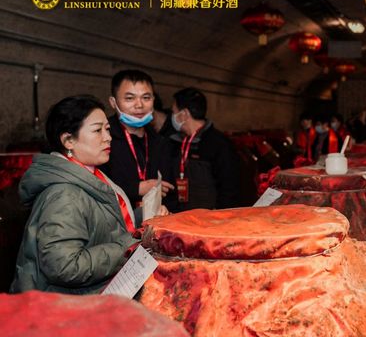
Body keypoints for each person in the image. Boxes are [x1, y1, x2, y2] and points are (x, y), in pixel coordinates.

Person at [11, 95, 166, 294]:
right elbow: (65, 267)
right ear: (68, 140)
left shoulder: (92, 175)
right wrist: (130, 245)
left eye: (107, 129)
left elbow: (100, 223)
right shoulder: (64, 195)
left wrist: (144, 216)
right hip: (68, 308)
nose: (108, 137)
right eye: (97, 130)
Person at [101, 70, 176, 212]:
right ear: (113, 102)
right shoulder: (103, 138)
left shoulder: (161, 141)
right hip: (117, 224)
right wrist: (137, 188)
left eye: (146, 98)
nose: (139, 105)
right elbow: (94, 185)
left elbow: (170, 191)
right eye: (130, 98)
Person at [170, 87, 240, 210]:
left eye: (174, 112)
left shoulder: (219, 144)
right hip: (180, 216)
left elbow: (230, 188)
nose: (172, 116)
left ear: (184, 114)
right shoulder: (173, 142)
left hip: (209, 220)